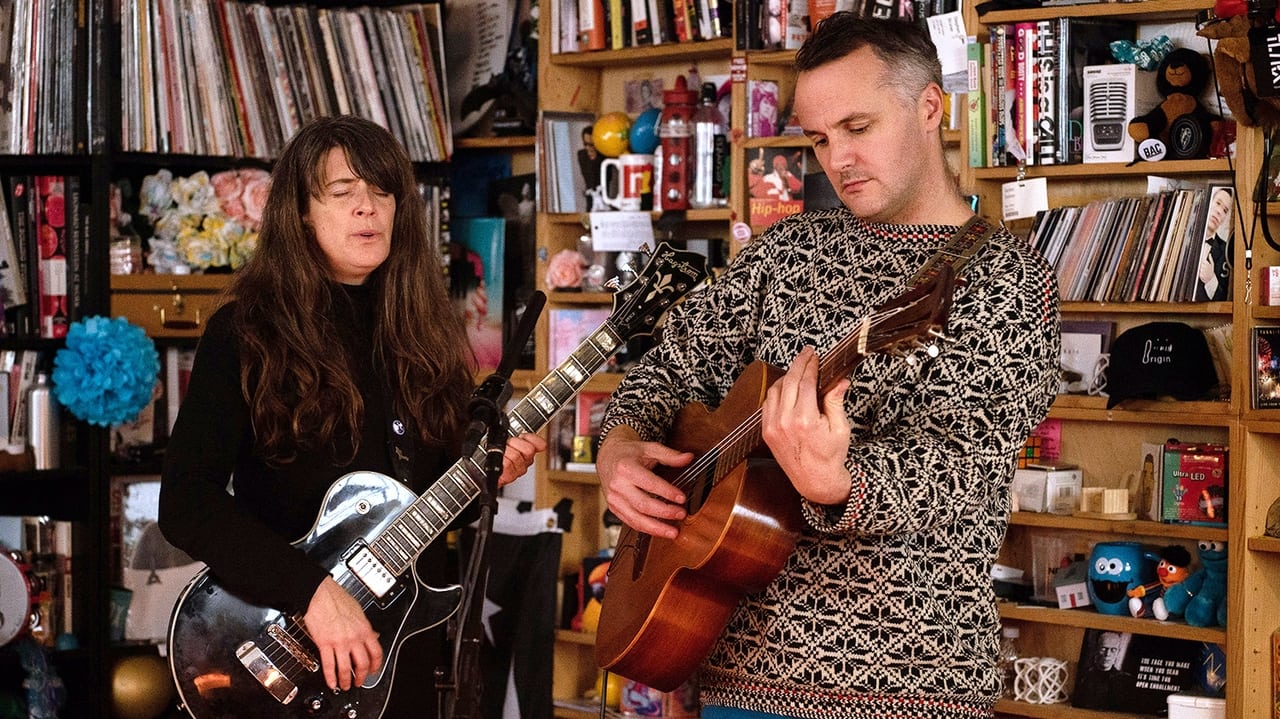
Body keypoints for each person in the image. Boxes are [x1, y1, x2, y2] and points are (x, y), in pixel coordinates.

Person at [594, 14, 1060, 719]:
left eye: (857, 127)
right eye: (818, 137)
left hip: (908, 684)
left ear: (929, 107)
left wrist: (838, 481)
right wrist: (620, 442)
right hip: (734, 664)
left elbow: (965, 468)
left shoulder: (1008, 277)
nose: (836, 157)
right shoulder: (787, 250)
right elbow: (671, 365)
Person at [158, 115, 545, 717]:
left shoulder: (423, 334)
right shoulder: (245, 333)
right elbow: (186, 502)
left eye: (382, 191)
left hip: (402, 654)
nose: (368, 207)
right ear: (302, 214)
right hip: (283, 638)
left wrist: (488, 471)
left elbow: (428, 502)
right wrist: (313, 593)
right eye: (343, 192)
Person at [1194, 186, 1233, 302]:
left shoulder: (1226, 250)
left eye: (1225, 210)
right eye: (1218, 203)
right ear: (1208, 202)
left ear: (1225, 218)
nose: (1219, 211)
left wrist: (1211, 279)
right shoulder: (1180, 237)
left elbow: (1225, 299)